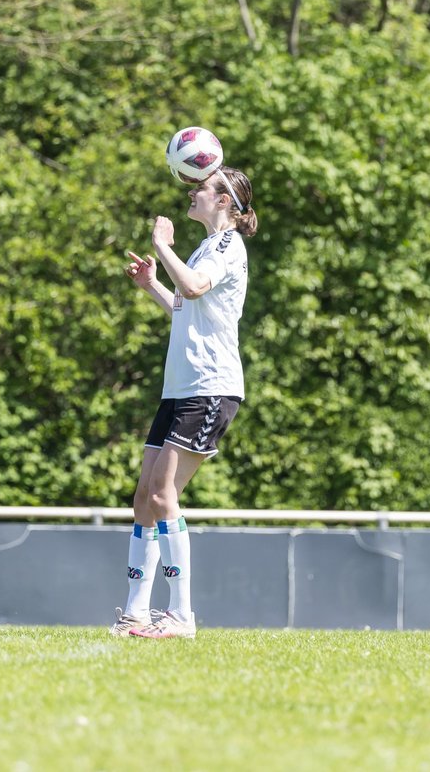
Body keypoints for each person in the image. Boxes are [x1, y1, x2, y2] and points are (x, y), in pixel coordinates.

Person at [109, 166, 255, 640]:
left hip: (210, 387)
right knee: (144, 500)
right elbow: (185, 305)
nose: (193, 192)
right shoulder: (207, 247)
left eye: (202, 188)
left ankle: (181, 616)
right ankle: (135, 613)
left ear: (225, 202)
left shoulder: (229, 246)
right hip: (182, 388)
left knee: (163, 493)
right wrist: (153, 283)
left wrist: (163, 246)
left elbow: (193, 288)